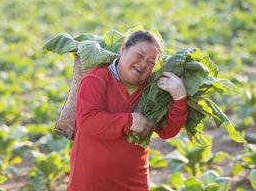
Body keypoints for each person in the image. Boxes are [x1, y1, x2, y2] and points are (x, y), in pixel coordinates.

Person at [66, 30, 188, 191]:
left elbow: (167, 131)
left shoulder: (152, 90)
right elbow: (88, 123)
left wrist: (179, 97)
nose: (144, 63)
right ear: (123, 49)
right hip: (91, 181)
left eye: (151, 61)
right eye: (140, 54)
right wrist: (130, 121)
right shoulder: (97, 79)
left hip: (134, 181)